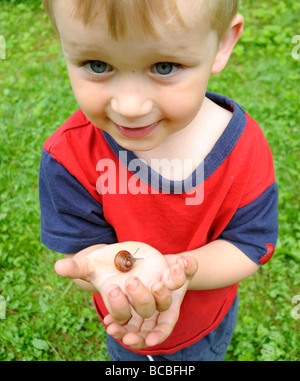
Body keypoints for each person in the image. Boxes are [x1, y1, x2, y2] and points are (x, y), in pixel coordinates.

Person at [39, 0, 278, 361]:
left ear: (223, 44)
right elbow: (82, 253)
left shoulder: (243, 148)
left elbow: (250, 245)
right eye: (97, 64)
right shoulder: (69, 156)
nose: (130, 106)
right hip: (124, 325)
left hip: (204, 325)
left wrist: (178, 271)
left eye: (164, 66)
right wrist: (103, 270)